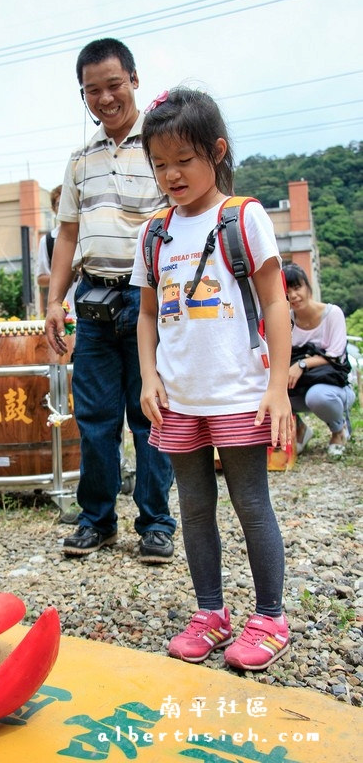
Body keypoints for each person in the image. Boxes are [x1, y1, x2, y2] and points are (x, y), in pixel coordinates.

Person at [130, 87, 293, 671]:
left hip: (239, 393)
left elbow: (276, 303)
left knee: (251, 502)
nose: (171, 174)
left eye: (184, 160)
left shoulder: (242, 218)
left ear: (216, 152)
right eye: (160, 164)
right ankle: (211, 613)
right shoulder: (154, 232)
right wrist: (149, 376)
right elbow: (147, 314)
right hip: (179, 398)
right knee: (194, 508)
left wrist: (277, 388)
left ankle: (271, 616)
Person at [45, 37, 176, 563]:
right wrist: (54, 302)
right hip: (94, 304)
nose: (105, 98)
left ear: (135, 81)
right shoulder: (79, 161)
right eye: (92, 90)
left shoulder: (164, 145)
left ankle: (155, 523)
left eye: (113, 85)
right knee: (96, 419)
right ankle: (97, 520)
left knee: (152, 418)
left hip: (150, 303)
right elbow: (68, 237)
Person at [284, 262, 355, 457]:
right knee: (268, 394)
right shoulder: (286, 320)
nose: (293, 296)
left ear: (308, 286)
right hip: (300, 388)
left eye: (297, 287)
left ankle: (339, 431)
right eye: (287, 291)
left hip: (334, 388)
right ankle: (300, 430)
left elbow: (335, 354)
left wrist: (302, 363)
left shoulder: (332, 314)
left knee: (318, 396)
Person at [36, 185, 78, 316]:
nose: (63, 207)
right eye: (59, 204)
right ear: (53, 209)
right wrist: (64, 276)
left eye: (66, 202)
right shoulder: (48, 241)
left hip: (88, 307)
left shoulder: (86, 235)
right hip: (64, 311)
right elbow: (41, 278)